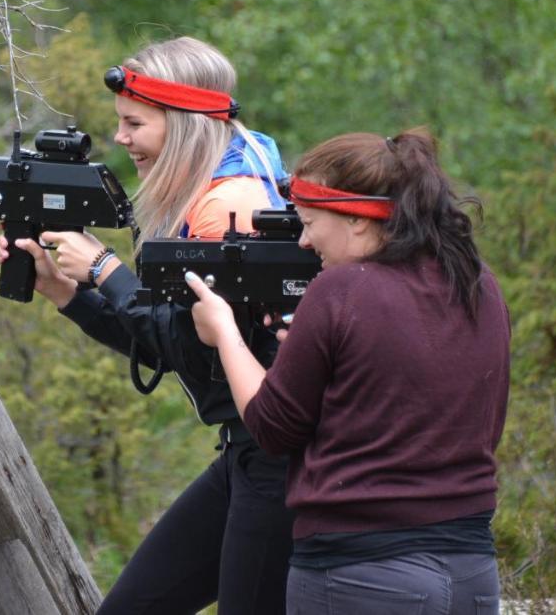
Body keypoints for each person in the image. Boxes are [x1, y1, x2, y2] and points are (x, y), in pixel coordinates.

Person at [0, 36, 296, 614]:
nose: (120, 138)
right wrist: (67, 293)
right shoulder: (217, 186)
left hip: (277, 464)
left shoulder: (229, 206)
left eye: (134, 123)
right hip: (246, 456)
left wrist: (105, 270)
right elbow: (168, 344)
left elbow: (196, 347)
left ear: (183, 124)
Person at [187, 129, 511, 615]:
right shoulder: (478, 283)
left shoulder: (339, 290)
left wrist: (225, 332)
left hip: (360, 578)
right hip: (472, 573)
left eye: (311, 221)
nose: (303, 239)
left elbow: (274, 428)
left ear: (358, 221)